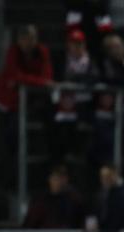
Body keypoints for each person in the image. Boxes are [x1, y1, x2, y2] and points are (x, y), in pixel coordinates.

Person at [0, 25, 54, 192]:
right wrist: (36, 81)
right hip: (2, 103)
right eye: (25, 38)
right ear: (19, 40)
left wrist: (28, 81)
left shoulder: (42, 51)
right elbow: (15, 76)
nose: (29, 42)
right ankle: (7, 184)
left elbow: (47, 76)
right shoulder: (13, 52)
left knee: (22, 139)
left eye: (32, 38)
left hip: (21, 103)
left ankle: (19, 180)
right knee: (6, 142)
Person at [50, 29, 99, 164]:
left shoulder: (89, 60)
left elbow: (93, 77)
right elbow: (58, 78)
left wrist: (73, 79)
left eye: (79, 43)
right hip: (64, 104)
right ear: (69, 45)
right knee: (60, 130)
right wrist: (76, 80)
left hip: (83, 103)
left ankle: (80, 155)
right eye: (74, 43)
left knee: (84, 130)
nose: (77, 47)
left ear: (84, 45)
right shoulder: (61, 59)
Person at [93, 34, 124, 165]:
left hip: (123, 110)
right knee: (106, 143)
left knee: (122, 140)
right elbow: (110, 80)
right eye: (114, 47)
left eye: (120, 46)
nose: (118, 49)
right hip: (105, 111)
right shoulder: (103, 63)